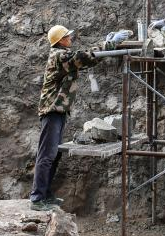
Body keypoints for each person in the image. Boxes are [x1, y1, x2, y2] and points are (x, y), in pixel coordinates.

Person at [31, 24, 130, 211]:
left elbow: (86, 59)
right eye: (67, 36)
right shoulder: (59, 56)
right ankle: (37, 198)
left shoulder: (62, 55)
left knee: (53, 155)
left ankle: (45, 195)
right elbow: (82, 57)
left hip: (58, 110)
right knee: (46, 155)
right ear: (60, 40)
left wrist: (106, 44)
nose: (70, 38)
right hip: (52, 110)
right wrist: (108, 44)